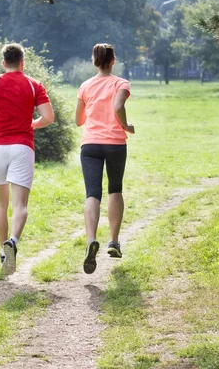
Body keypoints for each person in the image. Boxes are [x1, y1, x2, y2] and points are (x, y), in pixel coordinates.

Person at [0, 43, 54, 276]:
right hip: (22, 146)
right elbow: (48, 117)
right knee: (20, 204)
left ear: (3, 63)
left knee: (0, 203)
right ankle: (14, 242)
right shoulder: (33, 84)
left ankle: (2, 250)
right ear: (22, 62)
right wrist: (32, 124)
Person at [75, 43, 134, 274]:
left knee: (92, 193)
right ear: (113, 61)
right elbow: (118, 105)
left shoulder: (85, 86)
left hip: (90, 144)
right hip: (115, 144)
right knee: (115, 190)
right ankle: (114, 242)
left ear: (94, 61)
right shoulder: (121, 83)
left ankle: (91, 239)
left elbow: (79, 120)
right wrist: (126, 126)